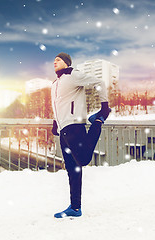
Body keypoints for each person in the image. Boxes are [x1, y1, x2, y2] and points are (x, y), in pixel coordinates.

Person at [51, 52, 111, 218]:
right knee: (72, 169)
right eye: (54, 59)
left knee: (83, 160)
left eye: (59, 59)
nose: (55, 61)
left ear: (67, 63)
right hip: (63, 130)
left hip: (74, 125)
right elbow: (57, 105)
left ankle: (98, 120)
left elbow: (99, 82)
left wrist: (104, 107)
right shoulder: (54, 83)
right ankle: (75, 208)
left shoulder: (72, 75)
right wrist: (55, 123)